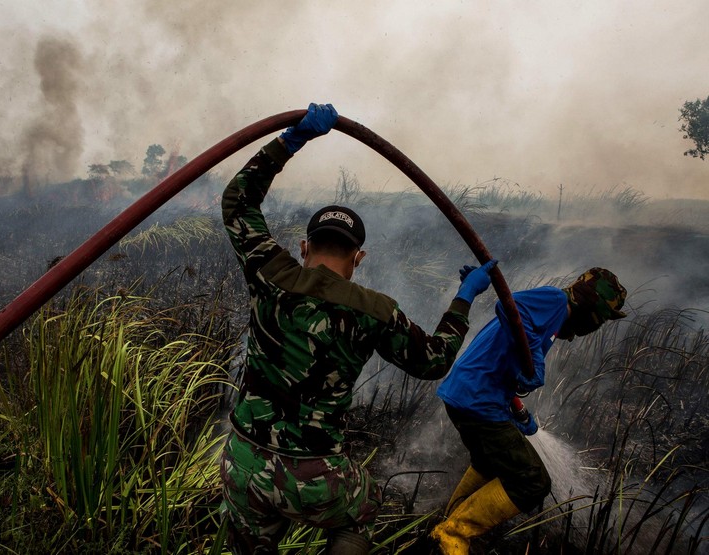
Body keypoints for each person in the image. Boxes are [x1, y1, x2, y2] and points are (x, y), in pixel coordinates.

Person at [218, 102, 498, 555]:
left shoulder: (271, 273)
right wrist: (464, 297)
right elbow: (433, 362)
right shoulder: (375, 309)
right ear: (359, 259)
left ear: (304, 246)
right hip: (315, 478)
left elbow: (238, 200)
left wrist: (293, 139)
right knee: (366, 504)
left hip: (244, 463)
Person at [428, 267, 628, 554]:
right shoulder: (555, 301)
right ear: (593, 307)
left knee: (488, 463)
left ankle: (449, 522)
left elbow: (507, 353)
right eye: (604, 318)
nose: (599, 326)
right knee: (533, 482)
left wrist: (517, 409)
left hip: (470, 394)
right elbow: (510, 305)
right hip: (477, 400)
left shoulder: (556, 316)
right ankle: (452, 534)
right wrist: (534, 357)